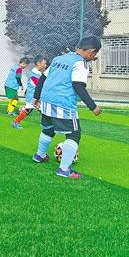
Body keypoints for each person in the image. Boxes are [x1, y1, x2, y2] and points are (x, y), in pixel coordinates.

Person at [31, 36, 103, 179]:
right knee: (74, 134)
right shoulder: (81, 63)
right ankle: (64, 169)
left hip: (46, 101)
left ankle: (40, 155)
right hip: (63, 103)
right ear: (91, 52)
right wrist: (92, 106)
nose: (92, 57)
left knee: (48, 129)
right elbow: (78, 86)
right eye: (94, 54)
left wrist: (36, 96)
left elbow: (43, 78)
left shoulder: (59, 58)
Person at [11, 56, 49, 129]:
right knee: (36, 109)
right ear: (38, 63)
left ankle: (46, 124)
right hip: (32, 96)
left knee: (36, 109)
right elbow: (39, 85)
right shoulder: (34, 75)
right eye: (44, 63)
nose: (45, 65)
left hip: (34, 95)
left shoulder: (37, 73)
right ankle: (16, 122)